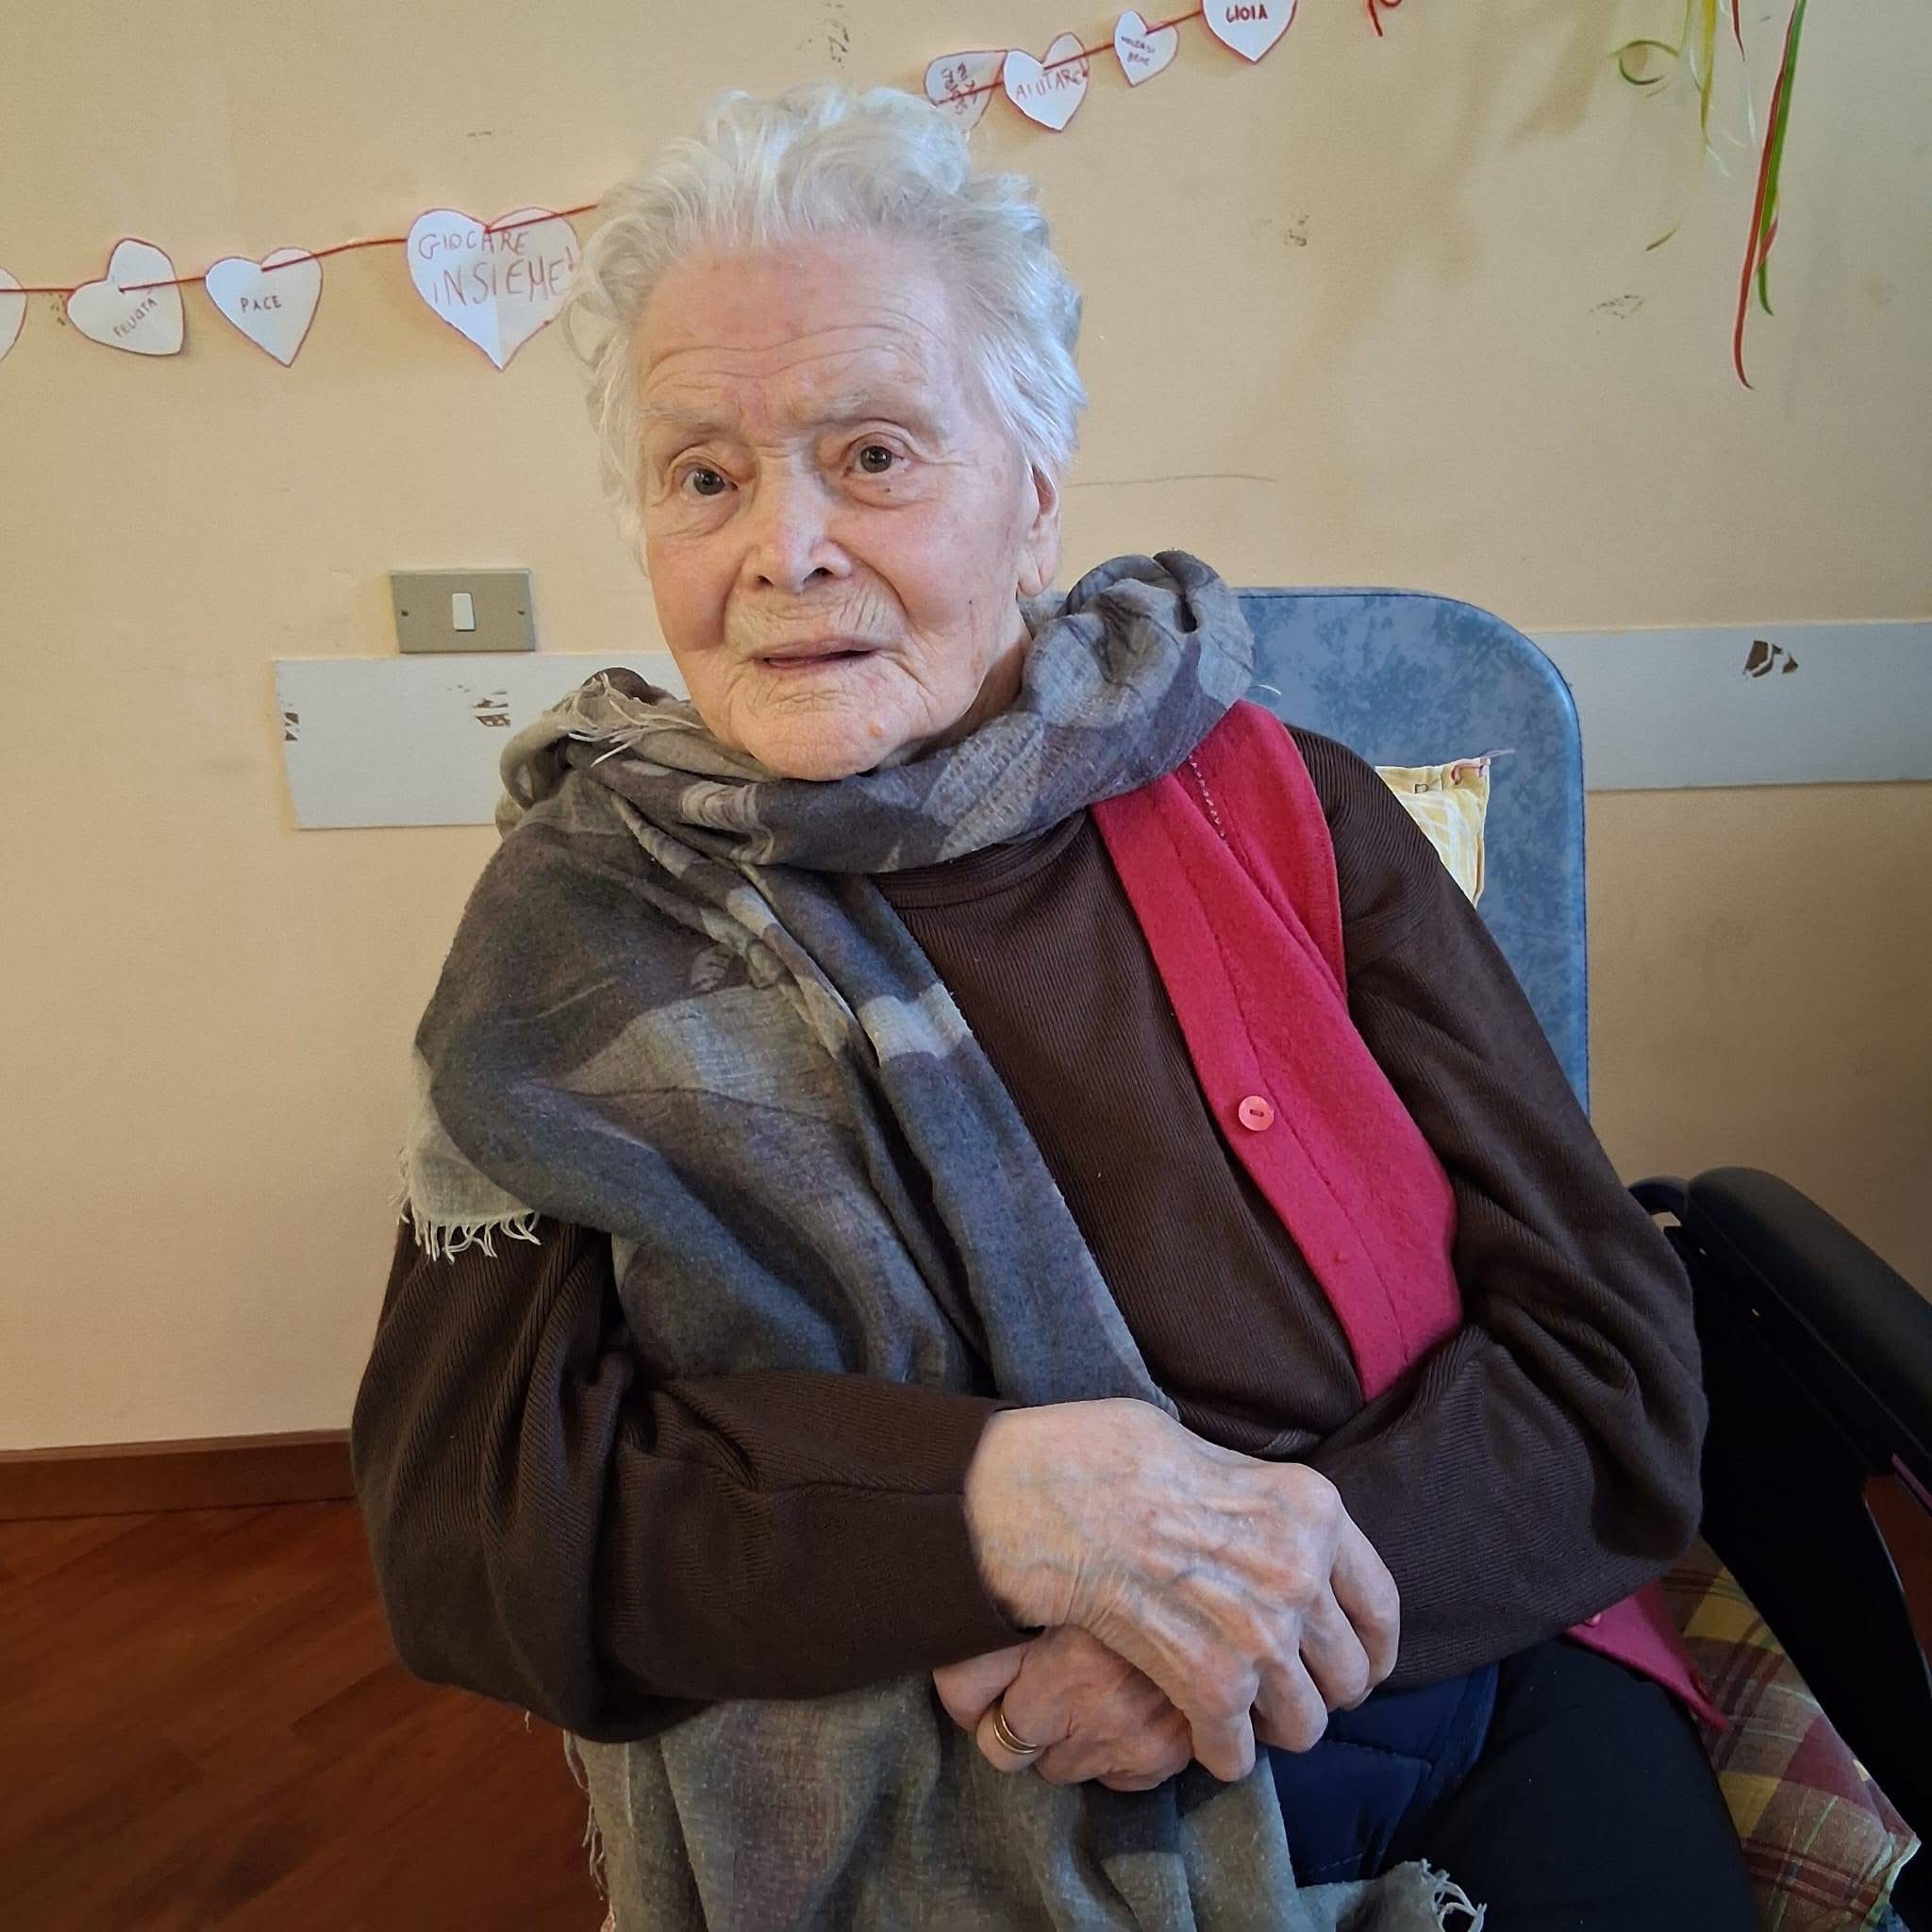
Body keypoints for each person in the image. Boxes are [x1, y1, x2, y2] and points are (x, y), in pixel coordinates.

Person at [350, 81, 1757, 1930]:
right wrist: (1007, 1509)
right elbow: (469, 1530)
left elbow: (1612, 1359)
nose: (783, 548)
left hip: (1451, 1646)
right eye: (704, 475)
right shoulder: (579, 935)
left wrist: (1229, 1611)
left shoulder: (1287, 807)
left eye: (872, 455)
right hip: (947, 1778)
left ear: (1032, 498)